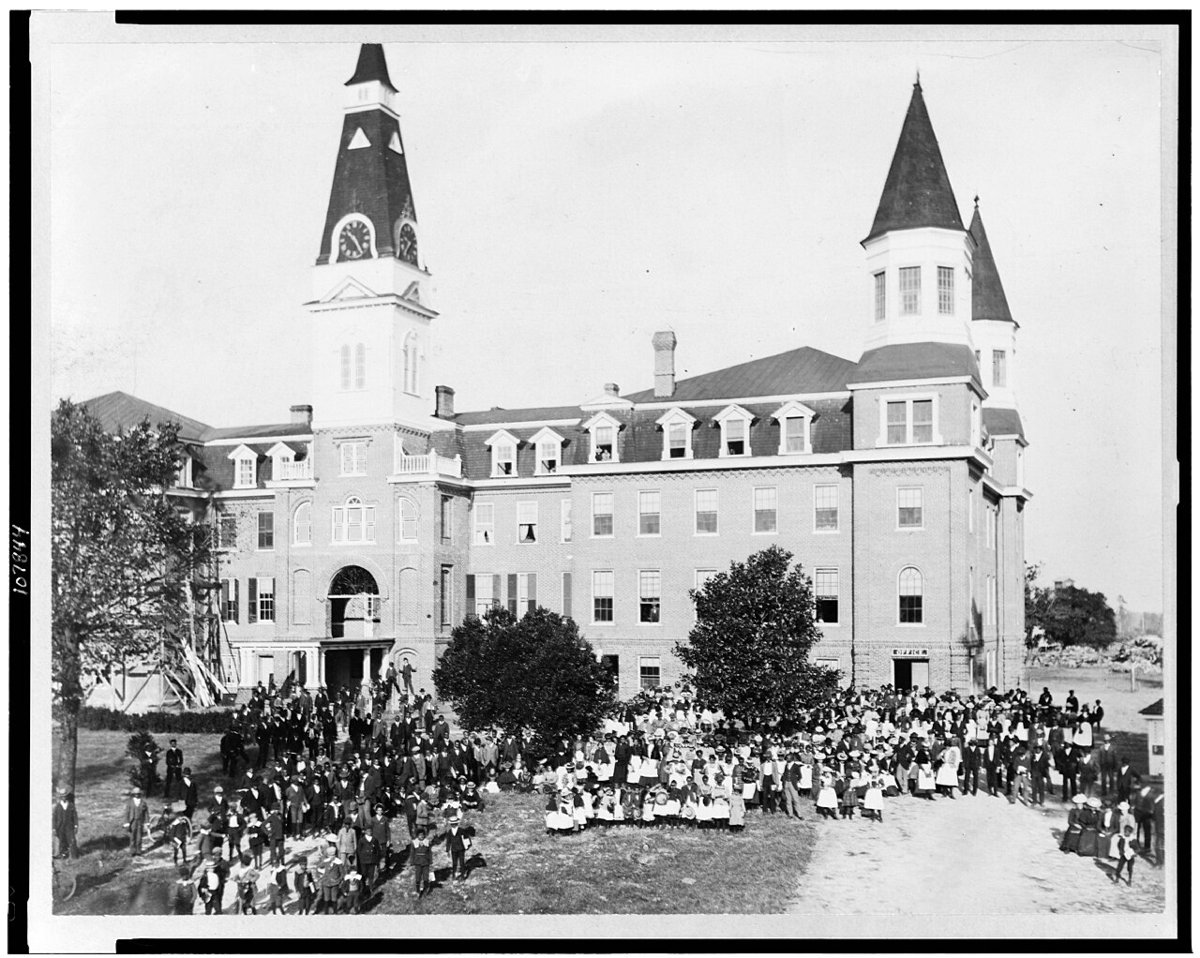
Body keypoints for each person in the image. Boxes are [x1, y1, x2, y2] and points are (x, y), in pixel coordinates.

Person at [52, 786, 77, 859]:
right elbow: (54, 818)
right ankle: (63, 855)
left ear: (67, 797)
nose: (64, 798)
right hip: (60, 826)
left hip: (69, 826)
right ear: (60, 797)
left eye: (65, 796)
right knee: (62, 841)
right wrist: (54, 828)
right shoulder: (58, 806)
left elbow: (75, 816)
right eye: (62, 796)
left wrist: (76, 826)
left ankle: (74, 856)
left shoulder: (71, 805)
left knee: (72, 840)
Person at [125, 787, 150, 856]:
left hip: (140, 821)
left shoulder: (143, 802)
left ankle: (138, 851)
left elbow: (146, 813)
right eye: (135, 794)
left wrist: (147, 822)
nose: (137, 795)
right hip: (132, 821)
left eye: (138, 794)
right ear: (133, 794)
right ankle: (132, 851)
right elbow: (127, 812)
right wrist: (127, 822)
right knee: (132, 837)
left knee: (139, 837)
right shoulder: (130, 802)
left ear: (140, 794)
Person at [411, 826, 434, 897]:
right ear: (417, 835)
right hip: (417, 862)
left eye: (422, 835)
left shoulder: (427, 842)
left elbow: (429, 852)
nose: (421, 836)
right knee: (418, 877)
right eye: (420, 835)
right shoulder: (414, 842)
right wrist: (412, 862)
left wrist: (430, 861)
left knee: (425, 877)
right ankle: (418, 890)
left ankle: (425, 890)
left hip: (425, 862)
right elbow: (412, 853)